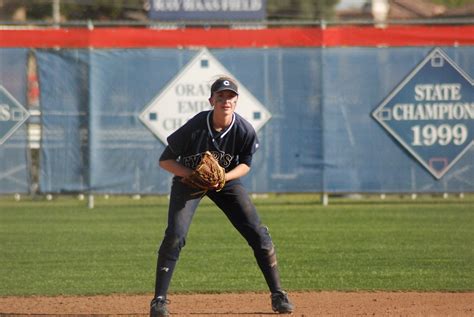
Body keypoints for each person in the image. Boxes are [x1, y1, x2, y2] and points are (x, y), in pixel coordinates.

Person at [150, 76, 294, 317]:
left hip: (225, 182)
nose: (225, 100)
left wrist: (223, 178)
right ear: (212, 100)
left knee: (258, 233)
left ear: (236, 102)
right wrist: (193, 174)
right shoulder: (195, 126)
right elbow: (165, 160)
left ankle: (278, 294)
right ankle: (159, 301)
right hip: (190, 181)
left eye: (230, 97)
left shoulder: (243, 129)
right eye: (220, 96)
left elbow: (246, 165)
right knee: (175, 234)